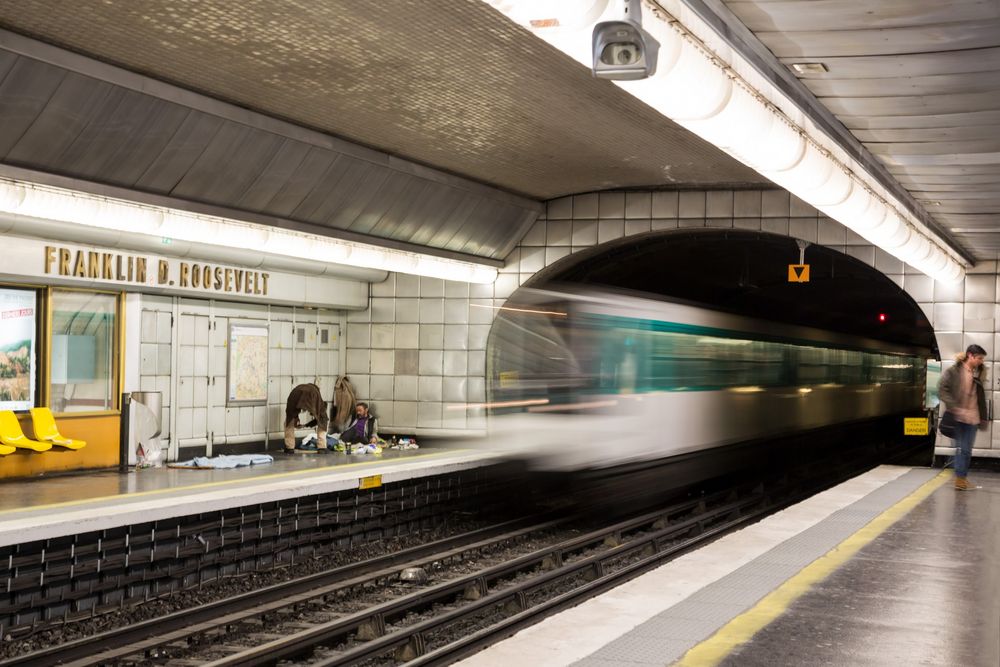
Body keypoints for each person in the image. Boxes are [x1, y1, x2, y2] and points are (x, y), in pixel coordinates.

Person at [938, 344, 987, 490]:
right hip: (957, 418)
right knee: (961, 449)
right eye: (979, 358)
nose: (981, 361)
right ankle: (960, 479)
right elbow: (942, 389)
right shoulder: (954, 371)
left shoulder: (978, 372)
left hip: (973, 418)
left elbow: (980, 397)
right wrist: (953, 406)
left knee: (966, 450)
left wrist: (983, 417)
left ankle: (961, 479)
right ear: (970, 355)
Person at [283, 383, 329, 454]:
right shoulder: (316, 392)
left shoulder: (297, 389)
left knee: (289, 420)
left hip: (295, 394)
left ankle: (289, 448)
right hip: (312, 394)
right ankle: (322, 447)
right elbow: (321, 419)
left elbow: (291, 413)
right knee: (323, 418)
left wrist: (296, 419)